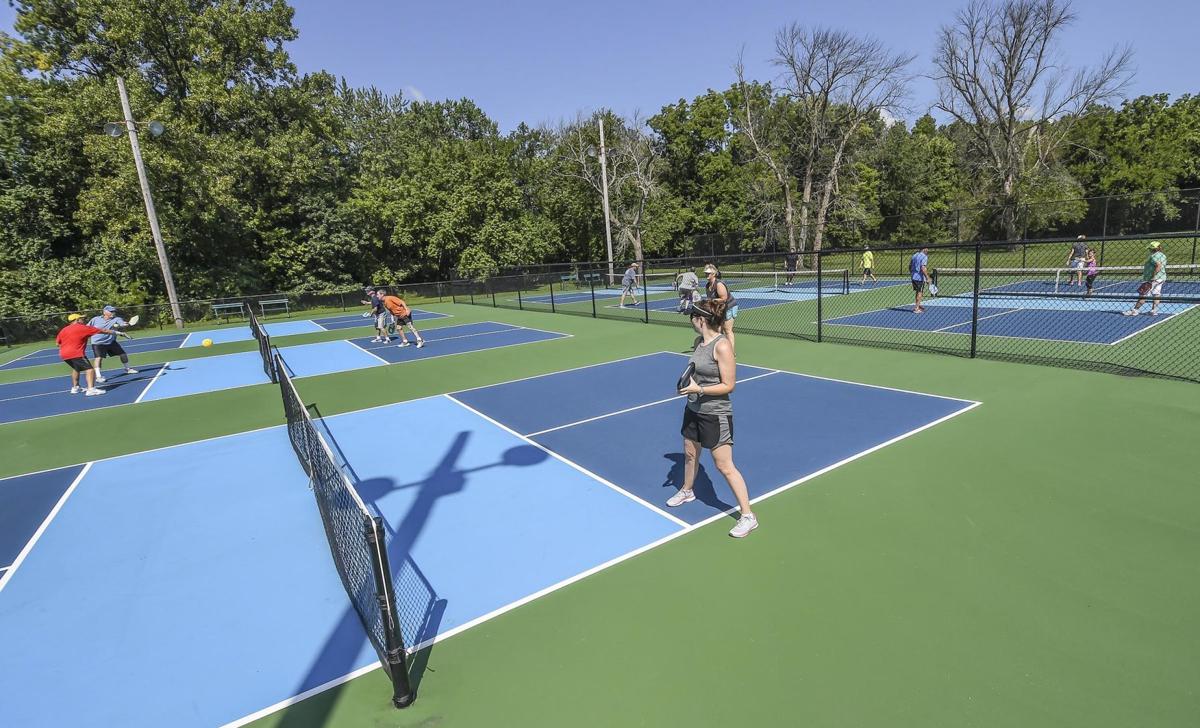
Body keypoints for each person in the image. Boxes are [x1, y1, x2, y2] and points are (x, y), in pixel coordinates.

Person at [668, 299, 758, 538]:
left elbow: (729, 385)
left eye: (692, 318)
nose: (690, 321)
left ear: (701, 320)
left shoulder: (723, 346)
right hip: (693, 410)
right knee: (690, 452)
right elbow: (696, 373)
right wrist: (689, 386)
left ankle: (748, 516)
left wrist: (700, 390)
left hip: (715, 414)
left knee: (724, 466)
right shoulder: (699, 343)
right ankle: (688, 490)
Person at [56, 314, 120, 396]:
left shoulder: (63, 330)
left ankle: (76, 388)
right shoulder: (83, 327)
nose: (83, 320)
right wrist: (117, 332)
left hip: (64, 354)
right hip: (76, 353)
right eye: (82, 318)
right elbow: (103, 331)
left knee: (76, 368)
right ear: (77, 319)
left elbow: (57, 343)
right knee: (90, 370)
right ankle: (91, 390)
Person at [87, 305, 138, 382]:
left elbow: (122, 323)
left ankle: (128, 369)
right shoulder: (95, 319)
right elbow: (87, 327)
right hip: (97, 342)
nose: (113, 313)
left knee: (123, 354)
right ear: (104, 312)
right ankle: (98, 377)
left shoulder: (117, 319)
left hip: (111, 341)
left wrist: (126, 324)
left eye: (113, 311)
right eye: (111, 311)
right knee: (98, 358)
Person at [1123, 241, 1168, 316]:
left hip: (1152, 279)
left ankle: (1135, 310)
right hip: (1161, 277)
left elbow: (1158, 265)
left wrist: (1153, 276)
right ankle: (1154, 310)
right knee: (1156, 294)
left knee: (1143, 294)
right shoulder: (1163, 255)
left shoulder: (1154, 256)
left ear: (1152, 249)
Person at [703, 263, 738, 351]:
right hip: (720, 308)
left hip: (729, 307)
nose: (707, 275)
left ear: (714, 274)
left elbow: (724, 298)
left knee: (727, 330)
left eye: (709, 273)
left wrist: (711, 301)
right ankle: (720, 349)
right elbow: (710, 298)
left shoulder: (719, 284)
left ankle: (731, 352)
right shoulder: (707, 285)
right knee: (718, 329)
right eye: (706, 273)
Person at [910, 246, 930, 313]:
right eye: (927, 248)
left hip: (913, 276)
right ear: (924, 249)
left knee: (918, 291)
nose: (928, 250)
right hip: (919, 277)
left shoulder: (914, 255)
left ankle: (918, 305)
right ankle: (916, 308)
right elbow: (923, 268)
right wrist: (927, 278)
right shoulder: (924, 256)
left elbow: (910, 266)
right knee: (920, 292)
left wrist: (912, 273)